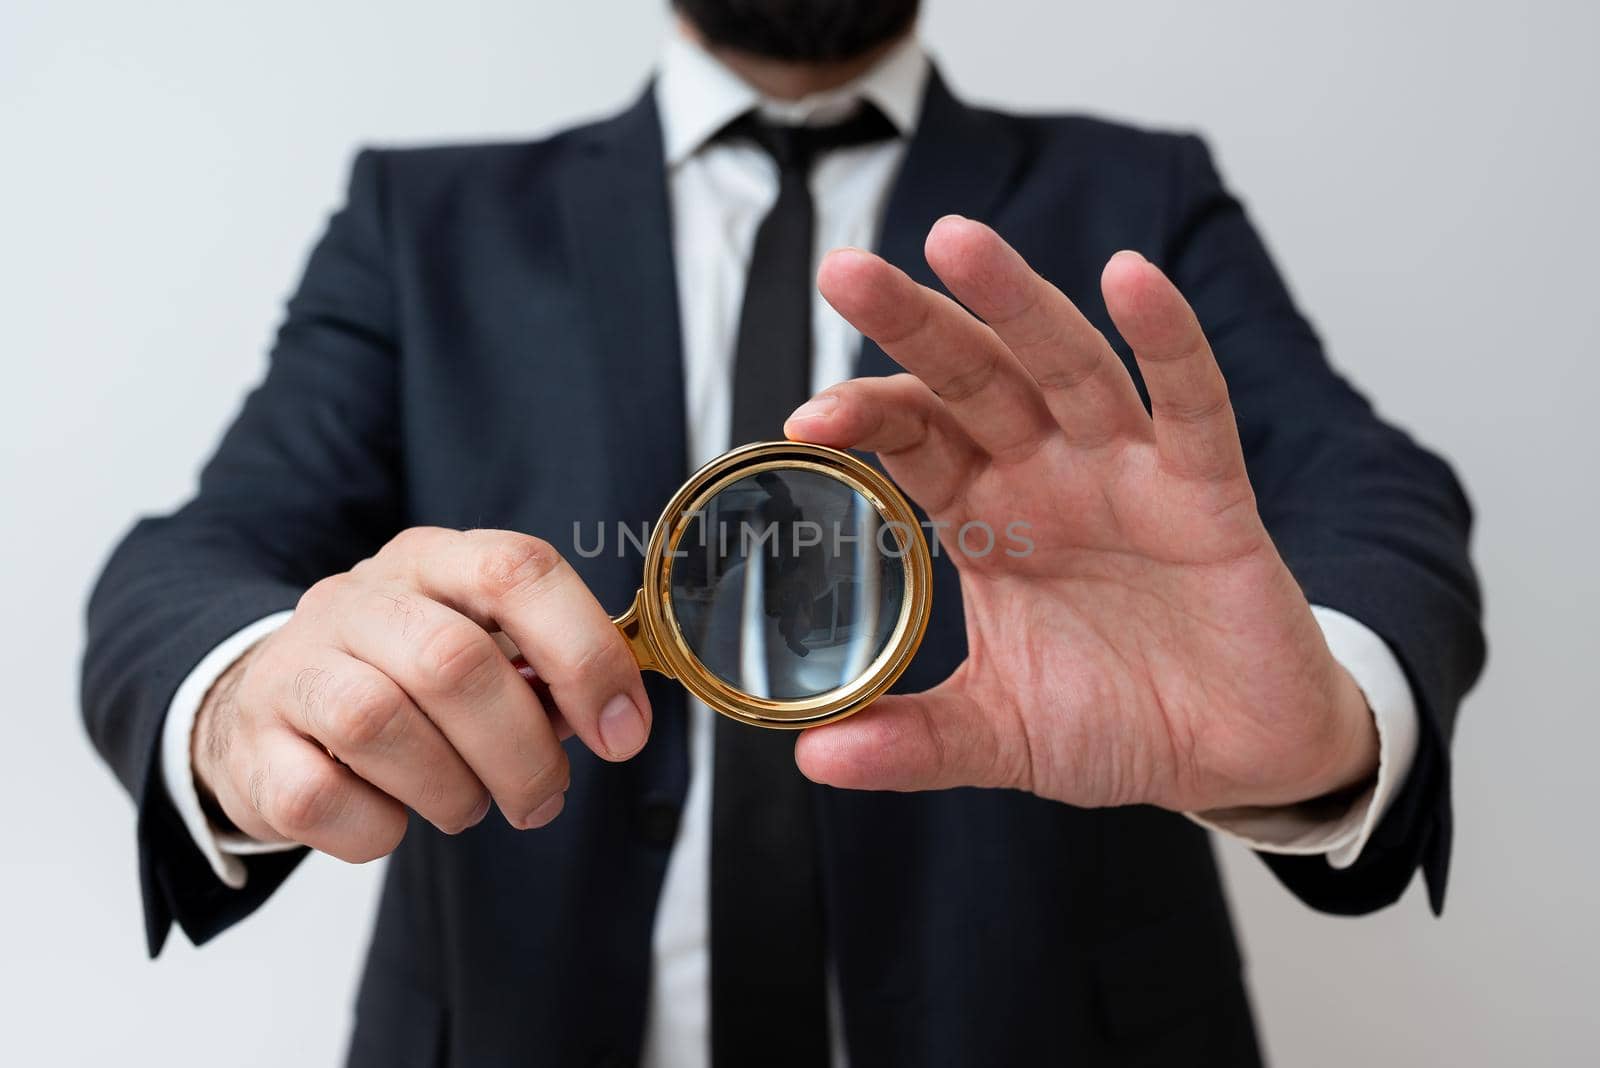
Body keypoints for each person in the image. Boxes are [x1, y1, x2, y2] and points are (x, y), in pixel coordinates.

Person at [81, 1, 1484, 1065]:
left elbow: (1376, 493)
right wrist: (252, 694)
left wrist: (1325, 720)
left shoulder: (1138, 196)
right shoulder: (423, 217)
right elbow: (200, 554)